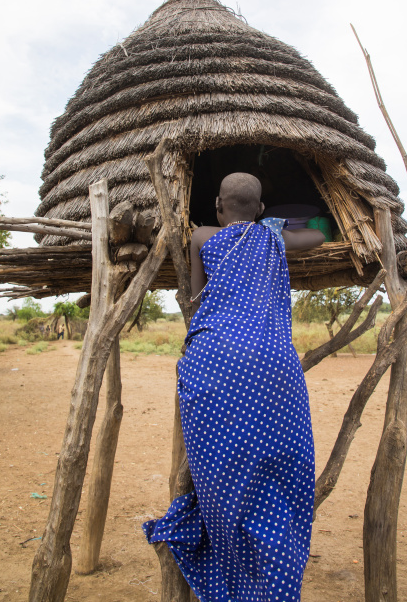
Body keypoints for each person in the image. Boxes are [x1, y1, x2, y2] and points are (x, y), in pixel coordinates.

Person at [143, 173, 325, 602]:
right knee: (282, 468)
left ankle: (227, 560)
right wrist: (277, 225)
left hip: (214, 360)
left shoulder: (202, 236)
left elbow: (195, 296)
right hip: (272, 362)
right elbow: (316, 236)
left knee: (221, 471)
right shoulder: (273, 236)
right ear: (260, 208)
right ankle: (273, 574)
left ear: (219, 206)